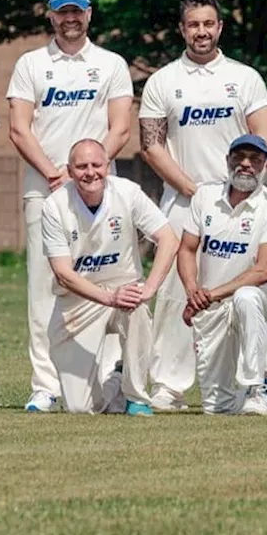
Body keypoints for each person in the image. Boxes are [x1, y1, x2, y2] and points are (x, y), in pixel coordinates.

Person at [138, 0, 267, 411]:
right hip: (186, 199)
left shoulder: (245, 77)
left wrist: (236, 187)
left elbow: (265, 136)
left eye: (209, 24)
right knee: (178, 292)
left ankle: (256, 382)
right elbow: (152, 145)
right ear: (182, 29)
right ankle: (169, 384)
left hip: (241, 200)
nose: (202, 31)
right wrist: (193, 190)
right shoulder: (163, 80)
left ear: (220, 27)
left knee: (246, 289)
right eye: (193, 24)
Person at [6, 0, 135, 413]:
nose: (70, 18)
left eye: (77, 11)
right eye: (62, 11)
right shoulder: (31, 64)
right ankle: (45, 385)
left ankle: (108, 381)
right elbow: (19, 128)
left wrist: (86, 173)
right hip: (44, 190)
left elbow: (119, 128)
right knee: (45, 287)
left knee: (105, 279)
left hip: (101, 191)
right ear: (51, 15)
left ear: (90, 14)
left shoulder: (111, 64)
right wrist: (54, 174)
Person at [41, 138, 179, 415]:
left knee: (137, 304)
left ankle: (137, 396)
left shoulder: (128, 193)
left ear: (107, 166)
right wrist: (107, 297)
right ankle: (118, 377)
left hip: (123, 289)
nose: (90, 172)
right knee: (81, 408)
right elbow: (64, 274)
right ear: (69, 170)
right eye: (81, 166)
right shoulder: (54, 205)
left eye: (96, 165)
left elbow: (168, 238)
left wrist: (149, 287)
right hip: (77, 301)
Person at [176, 135, 267, 415]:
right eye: (239, 158)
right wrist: (193, 291)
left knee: (246, 297)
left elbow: (264, 270)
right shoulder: (205, 196)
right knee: (217, 408)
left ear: (266, 165)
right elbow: (187, 250)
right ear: (228, 161)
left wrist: (210, 294)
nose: (246, 165)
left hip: (255, 296)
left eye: (255, 159)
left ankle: (256, 389)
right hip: (209, 304)